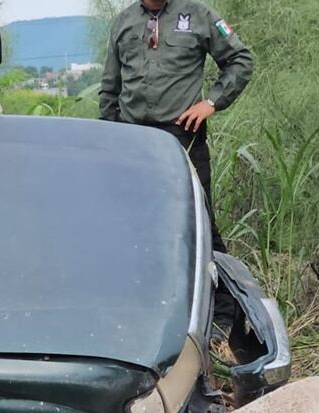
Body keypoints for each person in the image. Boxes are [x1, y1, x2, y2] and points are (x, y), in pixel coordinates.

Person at [100, 0, 254, 337]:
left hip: (182, 137)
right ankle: (148, 313)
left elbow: (241, 61)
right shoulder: (124, 23)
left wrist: (211, 102)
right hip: (134, 141)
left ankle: (222, 318)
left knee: (199, 226)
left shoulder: (198, 15)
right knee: (138, 228)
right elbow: (110, 88)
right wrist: (107, 141)